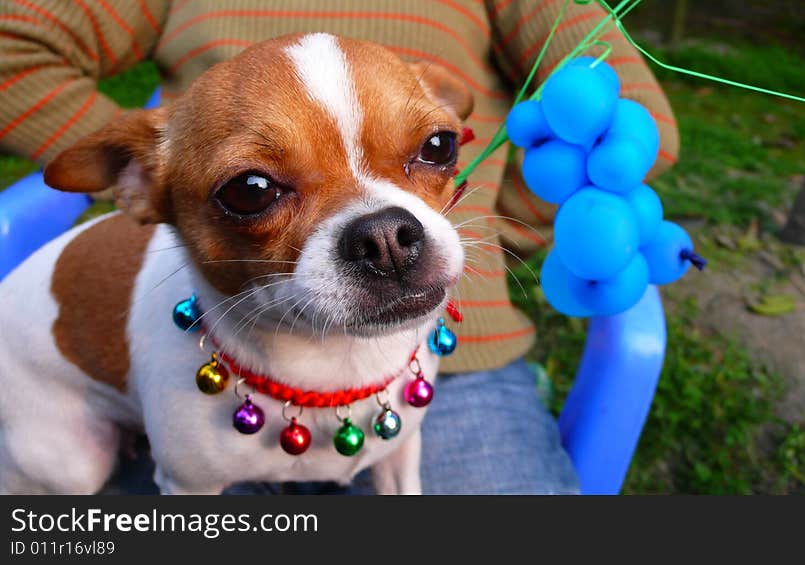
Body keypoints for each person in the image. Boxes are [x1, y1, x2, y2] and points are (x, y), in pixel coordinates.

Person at [0, 0, 678, 494]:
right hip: (190, 372)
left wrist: (514, 227)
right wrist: (169, 164)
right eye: (255, 189)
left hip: (450, 356)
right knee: (69, 479)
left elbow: (631, 125)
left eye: (431, 150)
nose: (385, 237)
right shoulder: (163, 176)